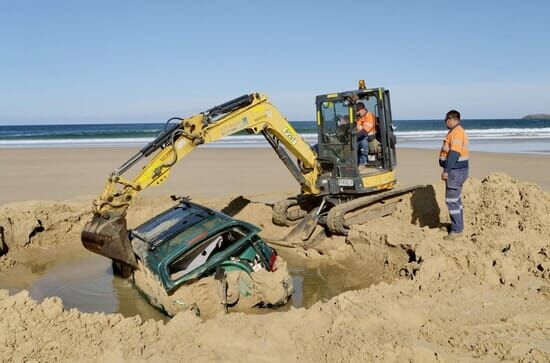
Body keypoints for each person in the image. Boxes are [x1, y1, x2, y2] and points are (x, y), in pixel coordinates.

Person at [439, 109, 469, 240]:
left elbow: (454, 153)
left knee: (451, 200)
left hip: (455, 171)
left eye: (446, 120)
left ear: (451, 119)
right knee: (456, 200)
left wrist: (446, 170)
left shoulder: (457, 133)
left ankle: (456, 230)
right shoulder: (457, 131)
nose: (445, 122)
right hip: (459, 170)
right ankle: (458, 226)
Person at [355, 102, 376, 168]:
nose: (357, 113)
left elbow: (364, 131)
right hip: (360, 135)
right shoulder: (359, 117)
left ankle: (362, 163)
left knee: (363, 141)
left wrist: (354, 138)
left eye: (357, 112)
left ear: (362, 110)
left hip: (369, 136)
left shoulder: (370, 116)